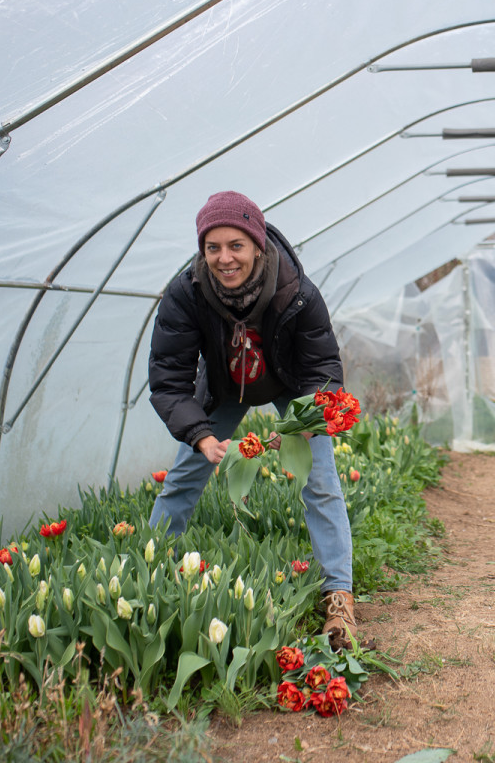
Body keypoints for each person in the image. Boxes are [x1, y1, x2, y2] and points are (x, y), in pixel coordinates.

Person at [146, 190, 359, 649]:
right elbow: (169, 381)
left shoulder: (296, 291)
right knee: (184, 476)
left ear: (258, 245)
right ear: (202, 250)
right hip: (226, 386)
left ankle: (338, 594)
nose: (225, 258)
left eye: (236, 245)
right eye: (213, 247)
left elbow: (323, 367)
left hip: (291, 384)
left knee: (320, 479)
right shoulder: (187, 294)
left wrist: (303, 421)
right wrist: (201, 436)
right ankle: (149, 572)